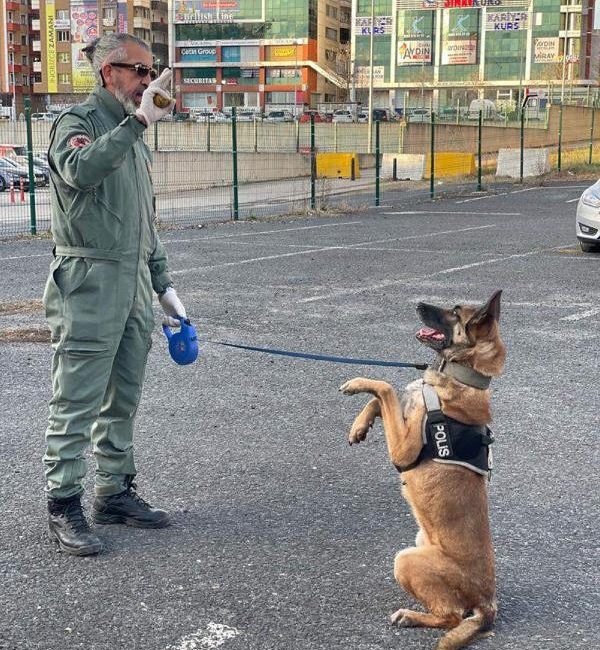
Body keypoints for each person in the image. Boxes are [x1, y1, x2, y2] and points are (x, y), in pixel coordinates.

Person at [43, 33, 187, 556]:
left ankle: (113, 492)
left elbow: (142, 220)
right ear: (109, 72)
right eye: (140, 71)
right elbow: (78, 172)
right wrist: (138, 123)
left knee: (123, 396)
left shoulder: (131, 133)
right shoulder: (78, 124)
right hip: (88, 282)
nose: (149, 82)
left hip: (131, 286)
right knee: (76, 400)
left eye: (153, 74)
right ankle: (63, 503)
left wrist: (162, 281)